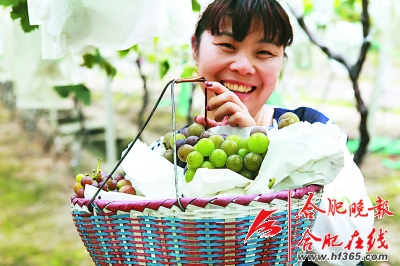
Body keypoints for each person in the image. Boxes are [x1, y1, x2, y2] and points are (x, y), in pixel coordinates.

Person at [187, 0, 374, 265]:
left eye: (263, 52)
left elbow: (350, 241)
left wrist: (263, 151)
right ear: (195, 49)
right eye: (227, 46)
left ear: (282, 62)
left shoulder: (313, 132)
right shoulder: (174, 151)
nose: (243, 66)